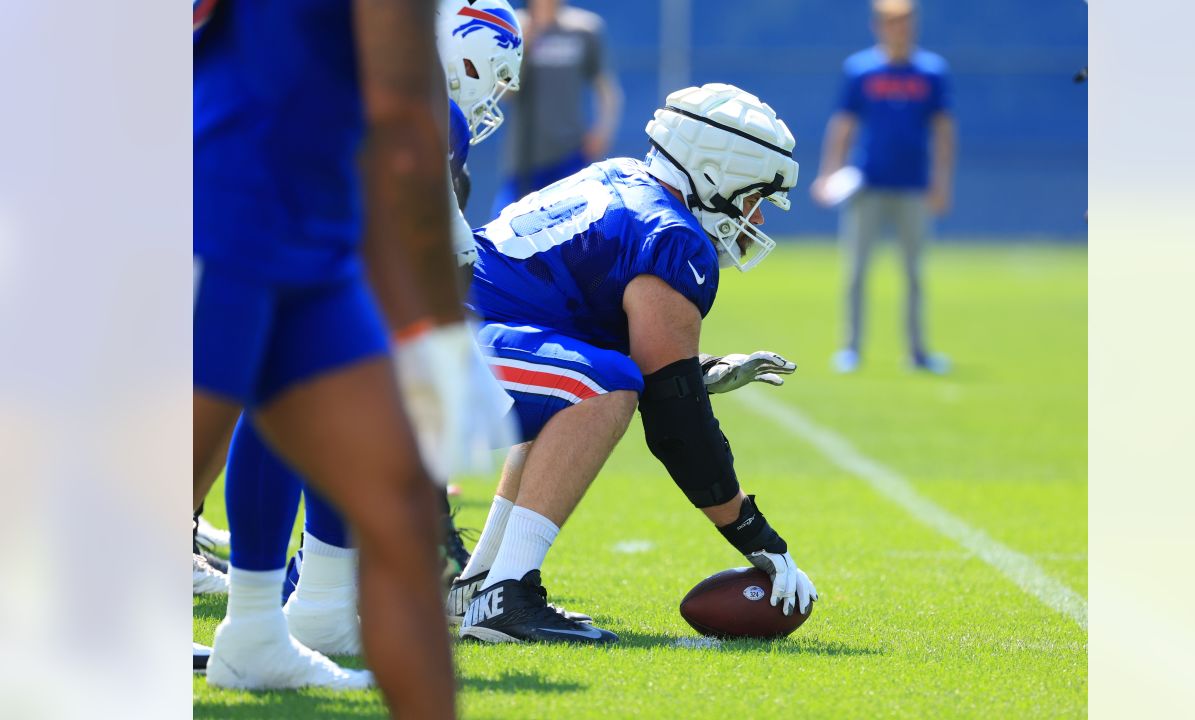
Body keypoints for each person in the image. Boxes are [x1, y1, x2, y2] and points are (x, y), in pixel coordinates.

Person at [193, 0, 503, 713]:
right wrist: (441, 347)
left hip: (313, 235)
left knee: (399, 511)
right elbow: (400, 120)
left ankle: (254, 635)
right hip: (223, 212)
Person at [448, 83, 819, 645]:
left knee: (579, 378)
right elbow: (676, 424)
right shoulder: (672, 237)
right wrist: (756, 536)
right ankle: (506, 597)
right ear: (716, 172)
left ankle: (484, 583)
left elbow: (580, 332)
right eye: (754, 195)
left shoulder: (620, 177)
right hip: (436, 351)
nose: (758, 215)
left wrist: (698, 369)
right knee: (601, 384)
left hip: (424, 329)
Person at [810, 0, 956, 375]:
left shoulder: (932, 72)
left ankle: (918, 351)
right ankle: (851, 349)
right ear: (878, 25)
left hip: (913, 187)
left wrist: (941, 182)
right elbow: (843, 124)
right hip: (867, 184)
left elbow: (942, 130)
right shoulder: (860, 70)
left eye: (905, 20)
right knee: (856, 271)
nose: (899, 27)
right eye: (892, 21)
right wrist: (828, 173)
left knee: (914, 274)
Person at [490, 0, 621, 218]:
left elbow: (606, 88)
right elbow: (504, 93)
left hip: (570, 157)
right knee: (503, 231)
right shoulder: (515, 27)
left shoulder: (584, 29)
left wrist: (603, 131)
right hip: (524, 161)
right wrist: (524, 45)